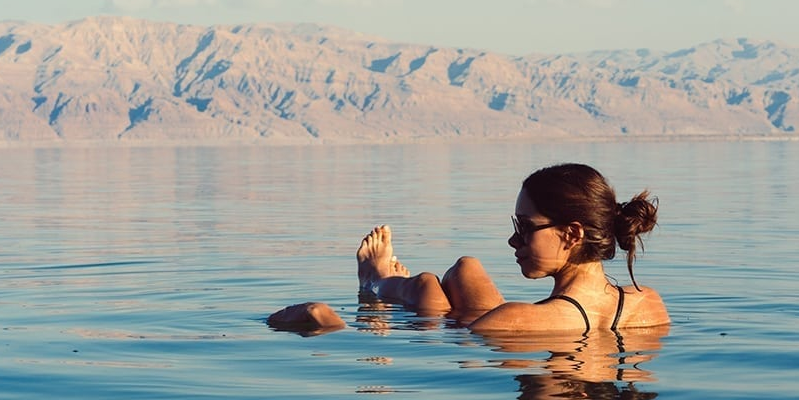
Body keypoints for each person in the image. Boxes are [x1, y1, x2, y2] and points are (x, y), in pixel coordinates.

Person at [268, 163, 668, 334]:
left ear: (572, 234)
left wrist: (322, 321)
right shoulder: (648, 304)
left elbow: (453, 344)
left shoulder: (512, 319)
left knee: (427, 290)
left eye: (525, 228)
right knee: (466, 267)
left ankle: (376, 281)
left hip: (499, 326)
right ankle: (385, 280)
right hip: (558, 321)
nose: (514, 241)